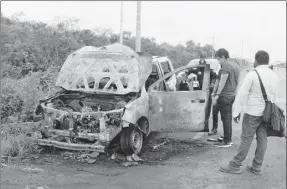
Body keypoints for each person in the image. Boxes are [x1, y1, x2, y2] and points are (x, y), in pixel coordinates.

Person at [219, 50, 279, 175]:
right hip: (266, 114)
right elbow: (273, 96)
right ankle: (257, 167)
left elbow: (242, 94)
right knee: (262, 139)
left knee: (246, 139)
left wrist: (236, 111)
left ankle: (235, 165)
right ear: (267, 61)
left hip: (252, 112)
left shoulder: (253, 74)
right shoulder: (274, 75)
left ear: (256, 60)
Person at [212, 48, 241, 147]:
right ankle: (226, 137)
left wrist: (217, 95)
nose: (218, 61)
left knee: (226, 118)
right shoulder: (235, 65)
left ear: (223, 57)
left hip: (225, 95)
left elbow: (222, 81)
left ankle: (227, 141)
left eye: (218, 59)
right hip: (231, 95)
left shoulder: (226, 65)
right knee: (227, 117)